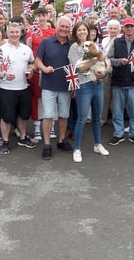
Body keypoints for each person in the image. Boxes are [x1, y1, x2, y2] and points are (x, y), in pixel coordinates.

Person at [68, 21, 110, 162]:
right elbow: (78, 68)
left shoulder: (94, 45)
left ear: (88, 31)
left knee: (97, 118)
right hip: (84, 86)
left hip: (97, 84)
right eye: (79, 30)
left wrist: (103, 73)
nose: (82, 32)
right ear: (75, 32)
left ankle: (98, 144)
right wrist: (95, 60)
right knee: (81, 118)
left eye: (84, 30)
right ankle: (77, 149)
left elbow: (104, 62)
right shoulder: (74, 48)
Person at [0, 22, 37, 154]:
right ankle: (5, 141)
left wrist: (32, 70)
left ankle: (23, 138)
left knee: (24, 115)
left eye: (16, 32)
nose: (14, 34)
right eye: (11, 32)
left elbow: (33, 63)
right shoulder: (1, 50)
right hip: (7, 89)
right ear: (7, 33)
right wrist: (4, 76)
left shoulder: (26, 49)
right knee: (6, 117)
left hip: (23, 87)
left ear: (20, 33)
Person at [35, 16, 74, 159]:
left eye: (67, 27)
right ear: (56, 27)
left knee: (64, 115)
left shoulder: (73, 45)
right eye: (62, 26)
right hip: (49, 85)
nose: (64, 29)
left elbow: (76, 66)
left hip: (66, 86)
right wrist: (44, 68)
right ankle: (46, 144)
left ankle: (61, 140)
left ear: (70, 29)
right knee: (48, 116)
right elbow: (37, 60)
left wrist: (74, 87)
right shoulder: (46, 42)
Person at [107, 17, 134, 147]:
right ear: (123, 28)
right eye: (127, 26)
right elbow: (108, 59)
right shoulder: (117, 41)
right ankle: (118, 133)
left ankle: (133, 133)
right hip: (118, 82)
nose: (130, 28)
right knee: (117, 111)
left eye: (131, 26)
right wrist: (119, 61)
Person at [26, 7, 56, 140]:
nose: (42, 18)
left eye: (44, 15)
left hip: (50, 69)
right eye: (39, 15)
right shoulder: (32, 32)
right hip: (37, 70)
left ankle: (52, 126)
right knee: (36, 98)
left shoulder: (53, 32)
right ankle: (37, 126)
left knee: (52, 98)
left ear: (48, 16)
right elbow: (28, 51)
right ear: (36, 16)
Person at [100, 19, 120, 126]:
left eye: (115, 28)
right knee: (105, 95)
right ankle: (103, 118)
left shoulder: (121, 40)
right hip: (106, 70)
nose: (113, 30)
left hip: (117, 70)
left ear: (119, 29)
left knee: (116, 96)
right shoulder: (104, 40)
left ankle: (116, 120)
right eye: (111, 28)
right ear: (107, 29)